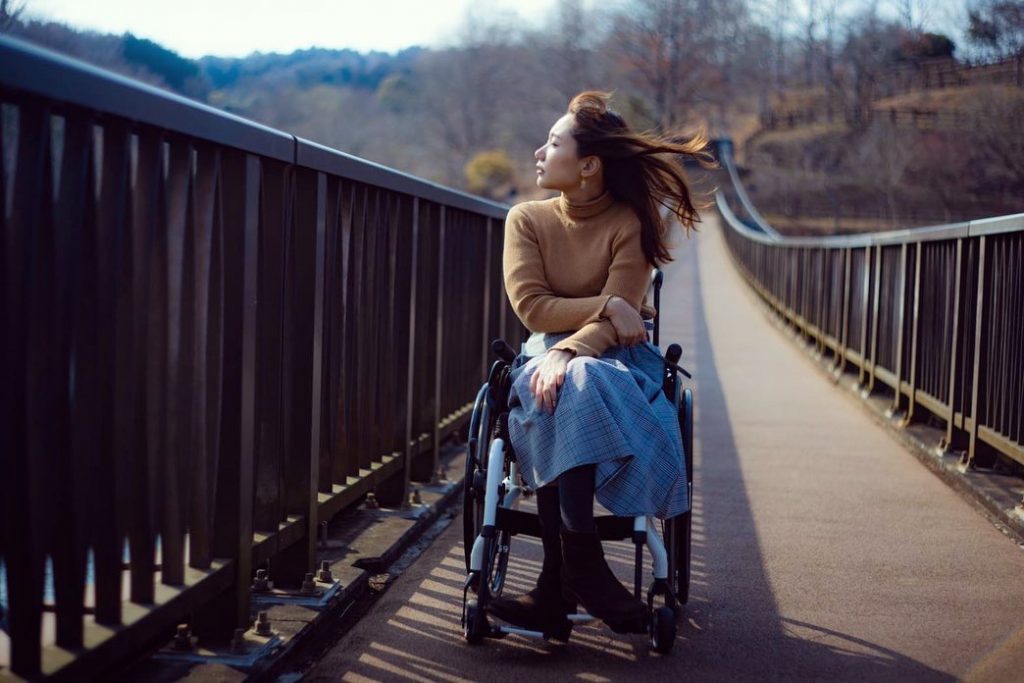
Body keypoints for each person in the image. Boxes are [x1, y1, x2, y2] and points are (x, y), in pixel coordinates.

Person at [488, 91, 711, 639]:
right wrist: (605, 304)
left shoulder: (628, 223)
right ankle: (579, 569)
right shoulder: (527, 219)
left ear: (588, 165)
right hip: (543, 353)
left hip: (616, 360)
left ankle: (559, 579)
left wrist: (573, 347)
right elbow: (533, 307)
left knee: (575, 380)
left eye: (554, 142)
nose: (539, 151)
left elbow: (620, 326)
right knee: (555, 384)